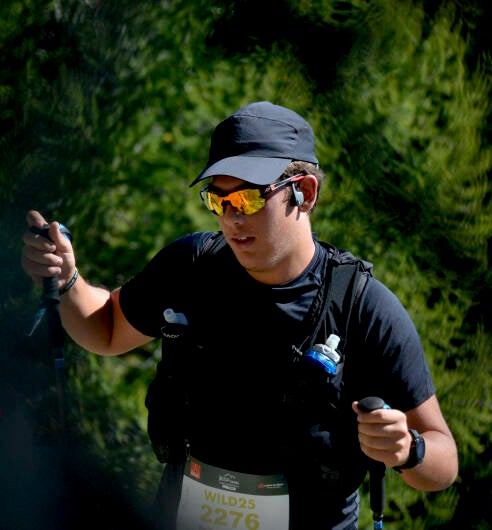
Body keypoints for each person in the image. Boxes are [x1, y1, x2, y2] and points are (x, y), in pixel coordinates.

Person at [20, 101, 458, 529]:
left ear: (304, 193)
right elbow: (107, 329)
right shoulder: (191, 267)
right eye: (218, 200)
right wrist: (67, 279)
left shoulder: (362, 306)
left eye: (247, 198)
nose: (231, 217)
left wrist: (409, 449)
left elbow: (444, 463)